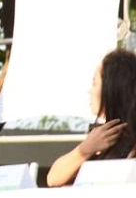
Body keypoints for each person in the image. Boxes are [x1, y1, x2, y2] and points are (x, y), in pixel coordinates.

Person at [47, 48, 136, 186]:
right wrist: (85, 149)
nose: (89, 91)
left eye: (94, 83)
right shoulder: (99, 137)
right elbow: (53, 178)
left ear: (111, 88)